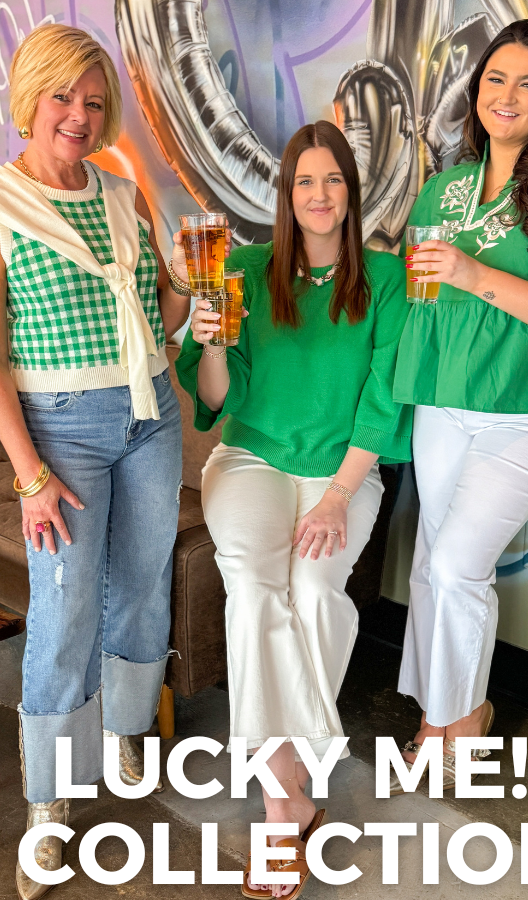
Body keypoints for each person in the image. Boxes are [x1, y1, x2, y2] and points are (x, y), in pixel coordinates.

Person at [176, 120, 412, 898]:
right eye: (304, 181)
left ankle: (286, 791)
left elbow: (384, 397)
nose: (319, 195)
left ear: (353, 191)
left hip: (342, 471)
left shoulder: (383, 278)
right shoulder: (240, 269)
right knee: (253, 585)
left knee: (312, 590)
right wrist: (208, 341)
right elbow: (216, 400)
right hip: (250, 457)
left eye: (333, 180)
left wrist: (340, 495)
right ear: (286, 193)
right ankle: (285, 798)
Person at [0, 24, 197, 899]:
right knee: (66, 606)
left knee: (143, 585)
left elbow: (160, 306)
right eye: (61, 97)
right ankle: (47, 803)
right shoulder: (2, 204)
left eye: (91, 99)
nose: (78, 115)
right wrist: (29, 474)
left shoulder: (120, 193)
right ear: (29, 98)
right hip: (62, 430)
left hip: (151, 415)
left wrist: (195, 286)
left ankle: (122, 735)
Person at [391, 18, 528, 792]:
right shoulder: (442, 187)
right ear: (475, 91)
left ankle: (463, 714)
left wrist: (473, 273)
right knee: (430, 566)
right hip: (447, 401)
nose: (506, 96)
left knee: (454, 565)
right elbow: (422, 302)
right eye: (494, 80)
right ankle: (433, 717)